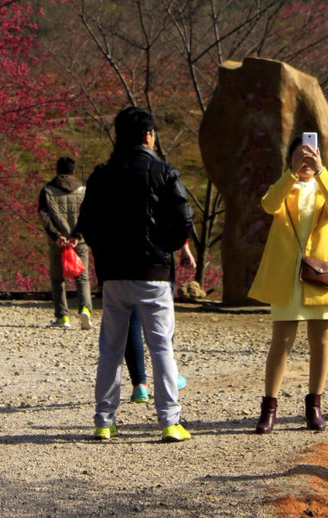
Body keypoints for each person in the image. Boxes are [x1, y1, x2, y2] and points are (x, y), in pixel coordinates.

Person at [76, 105, 194, 442]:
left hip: (114, 274)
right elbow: (184, 219)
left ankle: (104, 421)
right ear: (148, 135)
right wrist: (166, 246)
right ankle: (170, 422)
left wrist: (104, 254)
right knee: (161, 349)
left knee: (110, 349)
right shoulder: (165, 172)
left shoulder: (101, 175)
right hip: (154, 272)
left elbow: (86, 224)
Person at [248, 136, 328, 434]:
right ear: (290, 158)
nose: (305, 160)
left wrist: (322, 172)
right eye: (299, 155)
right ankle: (269, 407)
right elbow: (268, 205)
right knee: (280, 342)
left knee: (321, 343)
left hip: (320, 274)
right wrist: (291, 173)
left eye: (311, 154)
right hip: (287, 275)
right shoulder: (284, 187)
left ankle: (314, 407)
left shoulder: (324, 186)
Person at [37, 156, 92, 329]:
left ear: (57, 170)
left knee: (57, 279)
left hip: (57, 243)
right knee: (82, 278)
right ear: (73, 171)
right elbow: (88, 215)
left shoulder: (47, 191)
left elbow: (44, 216)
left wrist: (57, 236)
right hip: (79, 242)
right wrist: (76, 235)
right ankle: (85, 310)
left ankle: (63, 318)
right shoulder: (83, 191)